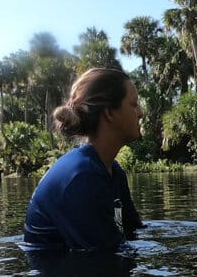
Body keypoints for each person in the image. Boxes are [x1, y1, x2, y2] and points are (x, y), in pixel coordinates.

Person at [23, 67, 144, 252]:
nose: (140, 112)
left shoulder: (113, 172)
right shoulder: (81, 176)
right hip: (67, 275)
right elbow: (106, 257)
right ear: (109, 112)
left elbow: (133, 232)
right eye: (133, 104)